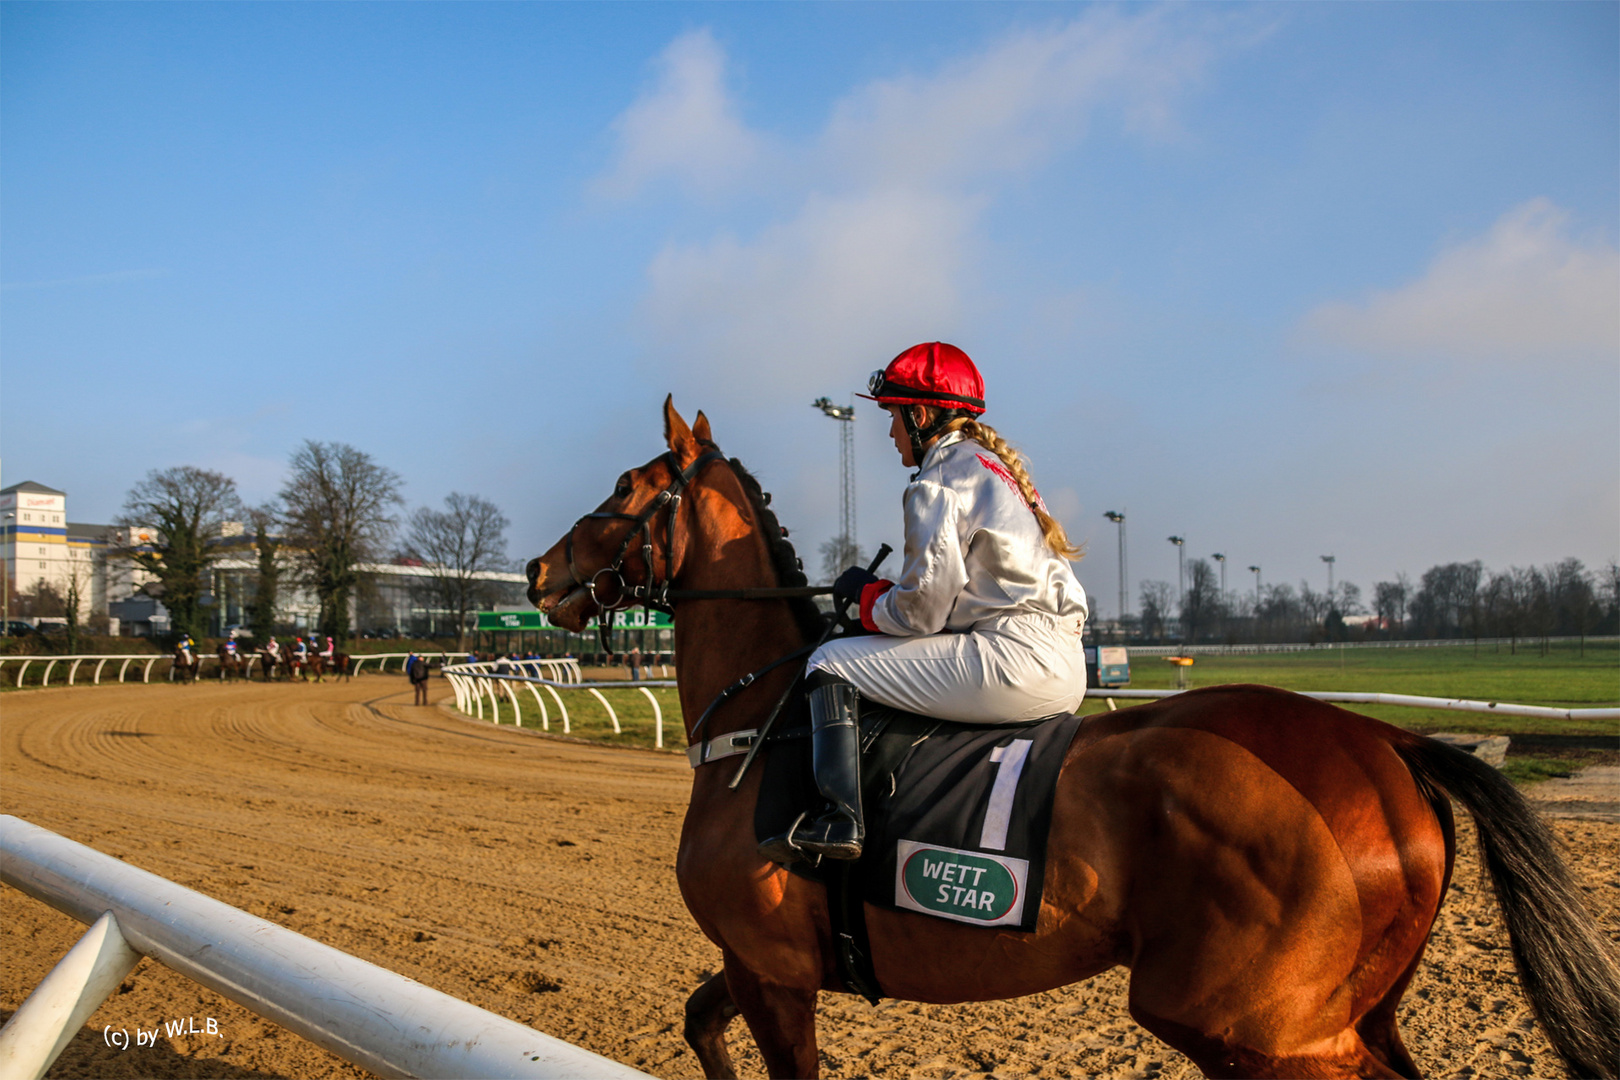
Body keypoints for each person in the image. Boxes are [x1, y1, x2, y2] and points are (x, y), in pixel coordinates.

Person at [760, 342, 1088, 865]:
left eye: (892, 416)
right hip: (1066, 665)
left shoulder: (938, 482)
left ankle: (840, 819)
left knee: (828, 663)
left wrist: (868, 599)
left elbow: (921, 612)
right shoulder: (992, 467)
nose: (890, 433)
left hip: (1011, 660)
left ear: (918, 414)